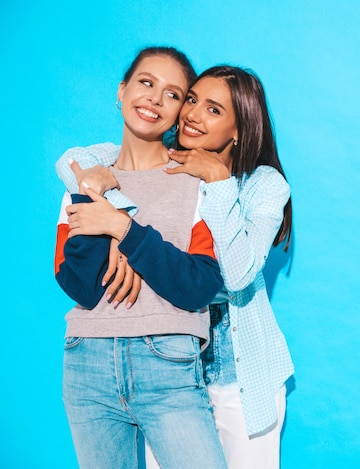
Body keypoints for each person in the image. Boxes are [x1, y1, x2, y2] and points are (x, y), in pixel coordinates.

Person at [56, 65, 295, 468]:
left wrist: (218, 181)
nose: (193, 114)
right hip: (167, 360)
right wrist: (119, 229)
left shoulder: (262, 184)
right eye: (191, 99)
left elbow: (236, 277)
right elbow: (74, 163)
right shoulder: (164, 159)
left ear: (239, 128)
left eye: (214, 110)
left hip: (239, 370)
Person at [54, 46, 227, 469]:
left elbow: (198, 287)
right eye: (146, 83)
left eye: (172, 94)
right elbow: (78, 283)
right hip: (87, 363)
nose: (154, 98)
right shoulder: (84, 180)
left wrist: (122, 229)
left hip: (168, 364)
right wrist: (93, 191)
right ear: (122, 90)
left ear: (179, 111)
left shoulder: (196, 183)